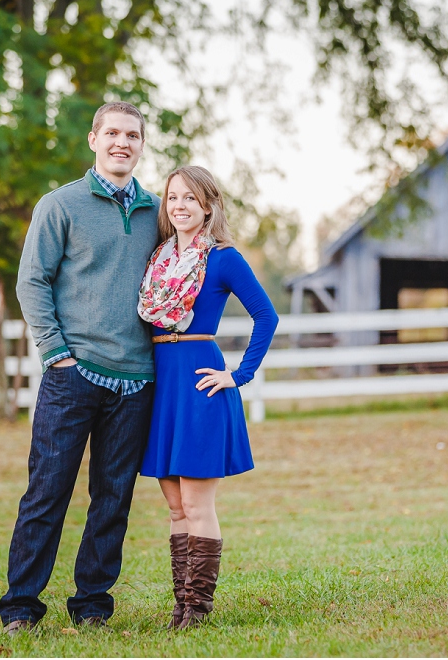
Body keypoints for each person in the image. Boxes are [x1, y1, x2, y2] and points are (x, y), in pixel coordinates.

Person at [0, 102, 161, 634]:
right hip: (73, 375)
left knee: (113, 498)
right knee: (47, 492)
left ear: (141, 144)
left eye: (132, 135)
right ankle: (21, 607)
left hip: (136, 379)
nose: (122, 142)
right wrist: (55, 352)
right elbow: (32, 282)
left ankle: (93, 604)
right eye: (112, 132)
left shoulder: (156, 213)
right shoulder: (59, 204)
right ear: (93, 139)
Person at [136, 166, 278, 629]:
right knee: (175, 507)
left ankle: (197, 609)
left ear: (208, 206)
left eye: (190, 199)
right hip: (162, 389)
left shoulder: (222, 258)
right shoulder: (157, 260)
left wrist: (239, 375)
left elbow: (266, 316)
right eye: (173, 198)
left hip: (200, 385)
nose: (179, 206)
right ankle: (180, 604)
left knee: (198, 505)